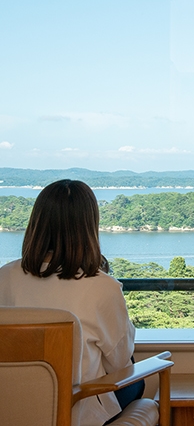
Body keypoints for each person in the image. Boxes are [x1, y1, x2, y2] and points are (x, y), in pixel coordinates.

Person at [0, 179, 143, 426]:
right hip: (77, 411)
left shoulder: (4, 277)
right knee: (136, 379)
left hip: (11, 407)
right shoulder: (103, 287)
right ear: (88, 227)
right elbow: (119, 362)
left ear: (37, 223)